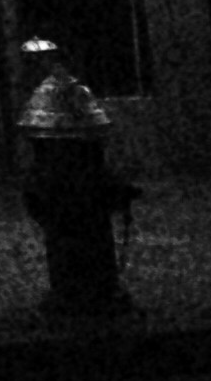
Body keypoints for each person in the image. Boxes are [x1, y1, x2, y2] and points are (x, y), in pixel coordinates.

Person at [15, 34, 133, 323]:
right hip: (83, 181)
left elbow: (43, 138)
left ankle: (74, 293)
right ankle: (99, 292)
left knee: (68, 240)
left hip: (62, 182)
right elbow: (94, 133)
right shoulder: (76, 90)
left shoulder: (51, 93)